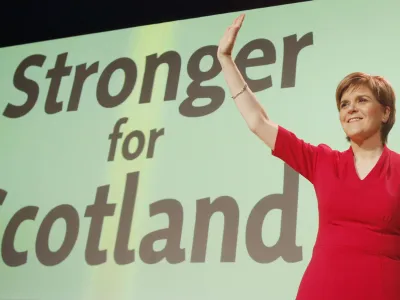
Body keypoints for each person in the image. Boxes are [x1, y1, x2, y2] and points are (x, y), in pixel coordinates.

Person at [217, 14, 400, 300]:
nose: (350, 109)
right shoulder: (323, 161)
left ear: (386, 112)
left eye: (361, 100)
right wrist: (226, 59)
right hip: (322, 289)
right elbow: (258, 122)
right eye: (344, 104)